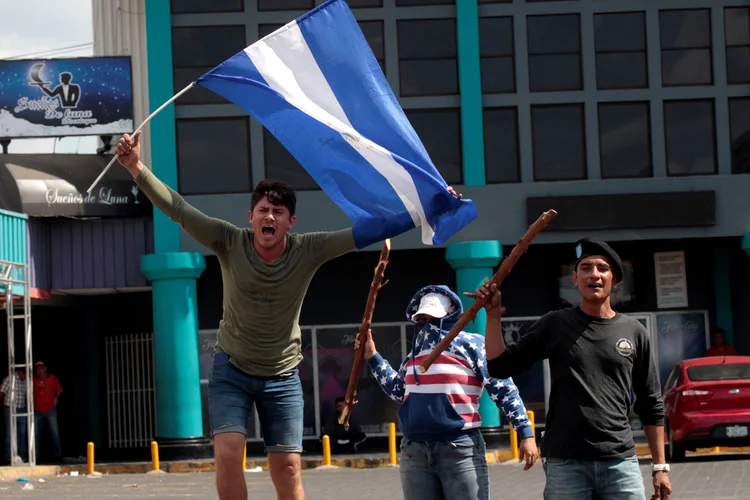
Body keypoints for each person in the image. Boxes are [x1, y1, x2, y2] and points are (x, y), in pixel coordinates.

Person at [114, 132, 461, 500]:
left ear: (290, 221)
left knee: (288, 468)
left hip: (282, 376)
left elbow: (369, 231)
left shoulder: (308, 249)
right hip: (232, 370)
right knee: (229, 453)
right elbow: (178, 210)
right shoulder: (229, 240)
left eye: (278, 212)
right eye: (263, 210)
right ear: (250, 217)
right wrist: (135, 166)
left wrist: (428, 207)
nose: (269, 216)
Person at [478, 238, 673, 500]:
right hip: (566, 463)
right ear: (574, 278)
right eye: (586, 268)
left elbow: (651, 404)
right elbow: (500, 366)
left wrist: (660, 467)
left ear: (614, 279)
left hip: (620, 463)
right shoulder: (555, 324)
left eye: (602, 268)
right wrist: (492, 316)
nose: (594, 274)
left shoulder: (635, 332)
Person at [357, 284, 539, 500]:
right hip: (413, 452)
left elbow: (503, 389)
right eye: (422, 318)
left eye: (433, 318)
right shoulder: (414, 356)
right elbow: (399, 392)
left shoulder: (472, 346)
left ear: (451, 315)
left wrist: (525, 433)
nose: (427, 324)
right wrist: (373, 357)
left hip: (459, 448)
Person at [32, 361, 63, 462]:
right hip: (36, 410)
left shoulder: (52, 378)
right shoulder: (32, 380)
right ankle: (35, 457)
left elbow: (59, 389)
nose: (40, 371)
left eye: (41, 368)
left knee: (55, 432)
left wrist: (56, 398)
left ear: (45, 368)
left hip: (50, 409)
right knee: (35, 434)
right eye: (38, 369)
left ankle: (58, 455)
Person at [0, 367, 28, 465]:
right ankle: (8, 457)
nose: (25, 377)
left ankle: (22, 456)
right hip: (10, 408)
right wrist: (3, 405)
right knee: (9, 434)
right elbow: (1, 392)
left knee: (21, 433)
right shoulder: (9, 379)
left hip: (21, 408)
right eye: (24, 375)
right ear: (20, 373)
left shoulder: (25, 380)